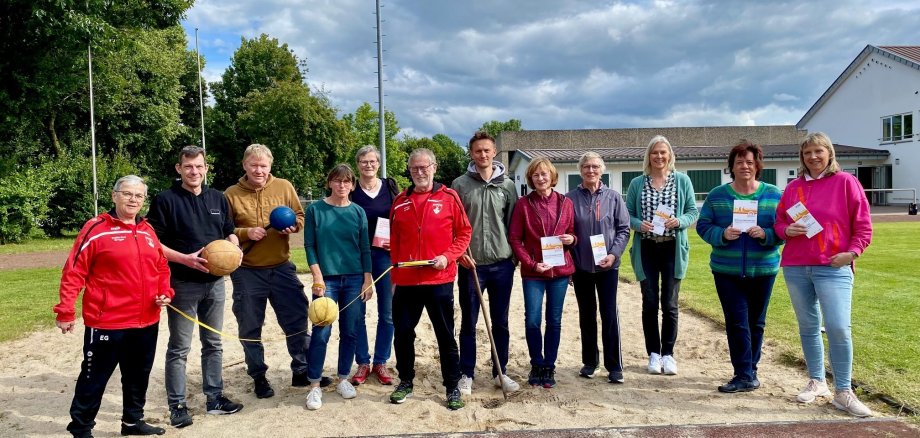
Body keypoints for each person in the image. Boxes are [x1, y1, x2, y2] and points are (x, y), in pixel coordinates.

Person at [54, 175, 173, 438]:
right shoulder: (96, 229)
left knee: (138, 376)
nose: (133, 200)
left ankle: (132, 422)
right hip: (107, 321)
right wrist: (65, 310)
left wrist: (165, 292)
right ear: (114, 195)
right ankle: (81, 428)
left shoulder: (147, 230)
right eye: (128, 194)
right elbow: (74, 271)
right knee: (93, 379)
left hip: (146, 320)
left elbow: (161, 266)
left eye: (139, 196)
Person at [773, 132, 873, 417]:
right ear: (801, 158)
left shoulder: (846, 183)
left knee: (839, 328)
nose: (813, 157)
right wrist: (785, 230)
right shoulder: (793, 188)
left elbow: (863, 225)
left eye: (818, 151)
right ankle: (817, 381)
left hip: (833, 267)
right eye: (807, 153)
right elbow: (780, 222)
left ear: (829, 154)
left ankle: (843, 391)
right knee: (808, 326)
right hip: (795, 266)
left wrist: (852, 253)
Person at [147, 146, 243, 428]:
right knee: (179, 347)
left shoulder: (218, 198)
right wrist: (185, 260)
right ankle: (177, 405)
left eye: (199, 166)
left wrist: (233, 247)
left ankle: (214, 398)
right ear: (179, 169)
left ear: (206, 168)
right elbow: (153, 243)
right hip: (183, 284)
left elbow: (228, 230)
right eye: (188, 167)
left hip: (215, 284)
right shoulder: (165, 200)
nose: (194, 171)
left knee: (213, 343)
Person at [696, 141, 783, 393]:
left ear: (757, 165)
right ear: (731, 167)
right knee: (736, 322)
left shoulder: (774, 194)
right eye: (739, 162)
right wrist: (722, 234)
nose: (744, 166)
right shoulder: (718, 195)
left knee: (757, 322)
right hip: (727, 271)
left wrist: (766, 234)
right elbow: (703, 226)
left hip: (763, 269)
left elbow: (782, 229)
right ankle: (743, 373)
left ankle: (750, 370)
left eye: (749, 161)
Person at [388, 148, 472, 411]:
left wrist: (448, 257)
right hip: (407, 281)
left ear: (434, 167)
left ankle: (452, 386)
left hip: (439, 280)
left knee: (445, 336)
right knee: (402, 334)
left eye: (424, 167)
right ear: (409, 170)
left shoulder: (449, 197)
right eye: (414, 168)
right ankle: (405, 381)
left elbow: (464, 233)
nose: (420, 172)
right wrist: (394, 274)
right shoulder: (400, 200)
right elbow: (394, 241)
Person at [224, 143, 310, 399]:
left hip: (282, 267)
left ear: (270, 166)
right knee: (250, 326)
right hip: (247, 270)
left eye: (263, 165)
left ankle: (301, 371)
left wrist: (293, 227)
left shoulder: (284, 186)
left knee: (296, 319)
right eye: (254, 165)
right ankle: (259, 376)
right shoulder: (230, 193)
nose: (259, 170)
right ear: (245, 165)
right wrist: (244, 232)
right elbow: (223, 227)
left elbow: (299, 216)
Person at [451, 131, 520, 395]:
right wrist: (459, 254)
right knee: (469, 321)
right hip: (471, 265)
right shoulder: (460, 185)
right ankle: (466, 373)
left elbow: (514, 224)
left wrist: (512, 257)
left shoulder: (508, 185)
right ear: (471, 154)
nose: (482, 155)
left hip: (502, 265)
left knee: (500, 321)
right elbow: (453, 225)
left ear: (494, 153)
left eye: (487, 150)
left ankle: (499, 372)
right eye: (477, 151)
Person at [626, 135, 699, 376]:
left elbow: (691, 211)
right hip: (646, 246)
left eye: (663, 153)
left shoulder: (682, 181)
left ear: (670, 156)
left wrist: (681, 221)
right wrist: (639, 224)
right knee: (649, 303)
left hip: (672, 247)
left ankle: (668, 353)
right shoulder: (638, 183)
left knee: (669, 304)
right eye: (654, 152)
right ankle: (653, 354)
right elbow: (628, 216)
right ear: (648, 156)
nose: (659, 157)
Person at [304, 164, 374, 410]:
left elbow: (365, 248)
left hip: (355, 278)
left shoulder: (358, 212)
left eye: (347, 182)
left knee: (351, 331)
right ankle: (314, 385)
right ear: (330, 183)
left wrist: (368, 280)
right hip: (328, 280)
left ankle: (343, 377)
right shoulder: (316, 210)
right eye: (337, 181)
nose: (342, 185)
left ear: (352, 185)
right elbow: (310, 246)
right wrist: (317, 277)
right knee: (321, 332)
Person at [509, 158, 576, 389]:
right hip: (534, 272)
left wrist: (571, 239)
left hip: (559, 271)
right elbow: (515, 239)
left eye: (544, 174)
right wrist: (530, 263)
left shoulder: (565, 203)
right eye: (536, 175)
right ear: (531, 178)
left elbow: (572, 234)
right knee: (532, 320)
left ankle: (549, 365)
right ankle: (536, 363)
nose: (540, 178)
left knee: (554, 321)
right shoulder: (523, 205)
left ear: (552, 176)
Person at [566, 152, 630, 384]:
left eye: (594, 167)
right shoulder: (569, 199)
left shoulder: (613, 197)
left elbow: (623, 229)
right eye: (586, 167)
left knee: (609, 314)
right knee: (586, 315)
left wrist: (614, 254)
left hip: (608, 267)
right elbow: (566, 231)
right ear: (580, 170)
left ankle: (614, 365)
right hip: (581, 267)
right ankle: (590, 362)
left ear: (601, 170)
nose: (590, 171)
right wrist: (570, 264)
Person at [350, 145, 399, 386]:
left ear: (378, 164)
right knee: (358, 312)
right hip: (357, 257)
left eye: (372, 161)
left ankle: (380, 361)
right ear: (357, 164)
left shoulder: (389, 187)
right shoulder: (351, 190)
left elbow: (400, 219)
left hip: (385, 255)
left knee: (387, 313)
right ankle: (362, 361)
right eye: (363, 161)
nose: (368, 165)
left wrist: (397, 242)